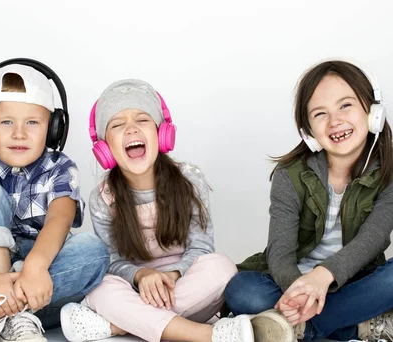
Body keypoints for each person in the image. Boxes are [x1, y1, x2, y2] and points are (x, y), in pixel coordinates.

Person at [60, 79, 254, 342]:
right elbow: (114, 261)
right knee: (100, 287)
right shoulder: (103, 198)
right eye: (117, 125)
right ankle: (204, 334)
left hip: (184, 284)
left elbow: (202, 247)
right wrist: (142, 275)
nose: (131, 129)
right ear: (104, 147)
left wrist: (171, 275)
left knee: (222, 267)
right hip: (137, 288)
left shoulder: (189, 179)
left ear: (162, 133)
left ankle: (121, 325)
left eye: (142, 120)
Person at [0, 59, 109, 342]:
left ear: (53, 129)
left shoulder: (60, 167)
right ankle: (10, 315)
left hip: (42, 283)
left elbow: (59, 219)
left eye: (32, 122)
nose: (19, 133)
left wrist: (35, 268)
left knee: (95, 251)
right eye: (5, 122)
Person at [226, 60, 393, 342]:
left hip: (353, 279)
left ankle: (300, 329)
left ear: (372, 111)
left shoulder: (388, 173)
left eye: (345, 106)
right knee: (243, 291)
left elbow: (372, 239)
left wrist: (324, 277)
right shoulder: (290, 175)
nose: (335, 121)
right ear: (308, 131)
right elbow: (279, 252)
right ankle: (356, 325)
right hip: (291, 283)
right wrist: (299, 291)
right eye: (320, 114)